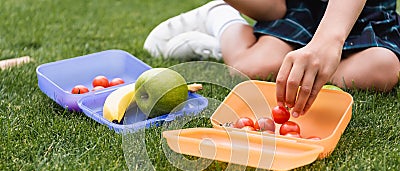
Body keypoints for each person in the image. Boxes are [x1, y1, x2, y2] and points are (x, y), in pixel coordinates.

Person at [144, 0, 400, 118]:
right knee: (249, 69)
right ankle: (221, 17)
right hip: (301, 10)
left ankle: (304, 67)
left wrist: (328, 42)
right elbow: (275, 8)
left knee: (382, 69)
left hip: (364, 15)